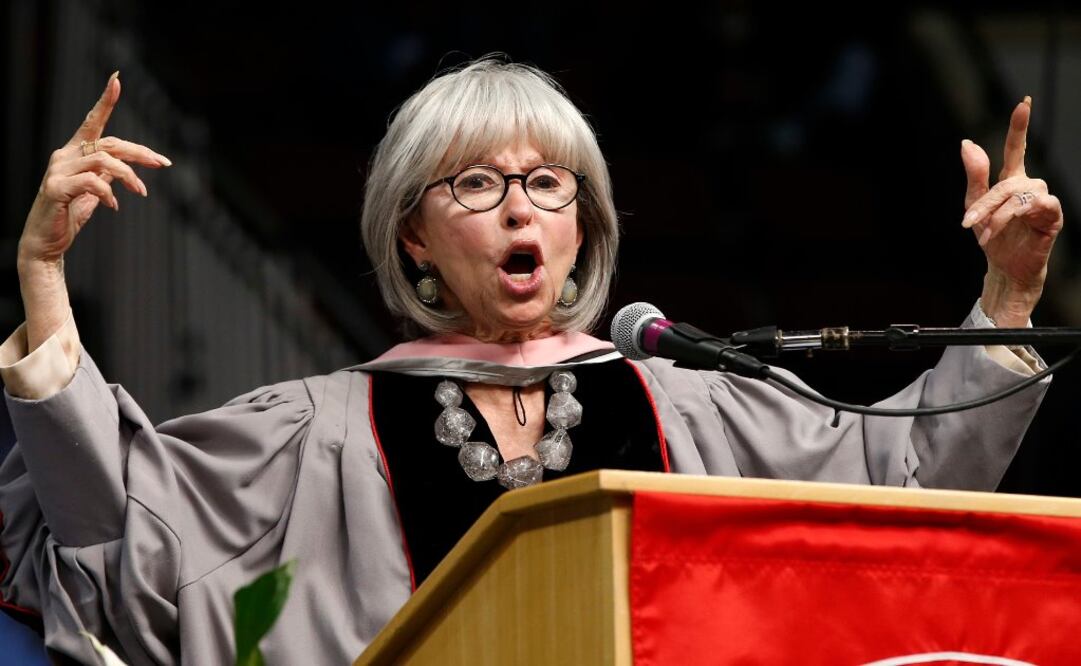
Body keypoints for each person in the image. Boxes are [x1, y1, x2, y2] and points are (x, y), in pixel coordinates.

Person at [0, 58, 1063, 664]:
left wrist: (1007, 296)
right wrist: (45, 275)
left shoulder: (690, 404)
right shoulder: (316, 428)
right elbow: (120, 535)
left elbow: (903, 496)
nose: (519, 206)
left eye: (548, 183)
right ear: (412, 234)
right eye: (473, 183)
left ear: (581, 222)